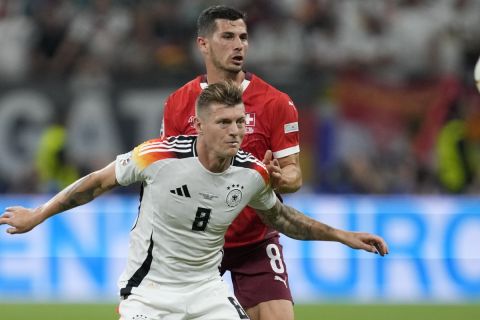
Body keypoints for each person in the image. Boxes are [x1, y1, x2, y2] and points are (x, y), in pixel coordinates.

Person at [1, 81, 388, 320]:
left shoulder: (252, 173)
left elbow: (283, 220)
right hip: (149, 294)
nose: (235, 131)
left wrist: (343, 235)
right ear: (199, 125)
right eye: (224, 123)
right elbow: (95, 183)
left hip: (208, 293)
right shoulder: (159, 157)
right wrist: (38, 214)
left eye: (239, 122)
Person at [160, 6, 302, 319]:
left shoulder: (276, 103)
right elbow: (166, 174)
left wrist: (279, 178)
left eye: (243, 37)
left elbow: (294, 174)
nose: (239, 45)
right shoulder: (178, 103)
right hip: (197, 244)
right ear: (203, 44)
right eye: (228, 36)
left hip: (255, 241)